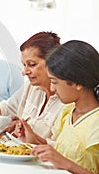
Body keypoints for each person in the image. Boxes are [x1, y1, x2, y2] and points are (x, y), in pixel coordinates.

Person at [18, 40, 99, 174]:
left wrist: (67, 164)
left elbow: (64, 160)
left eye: (54, 82)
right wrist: (34, 141)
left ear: (77, 83)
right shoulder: (68, 113)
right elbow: (62, 153)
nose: (52, 88)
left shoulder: (95, 123)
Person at [0, 32, 64, 140]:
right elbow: (9, 107)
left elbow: (61, 148)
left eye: (32, 65)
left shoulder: (67, 99)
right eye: (24, 65)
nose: (25, 72)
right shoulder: (31, 87)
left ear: (52, 62)